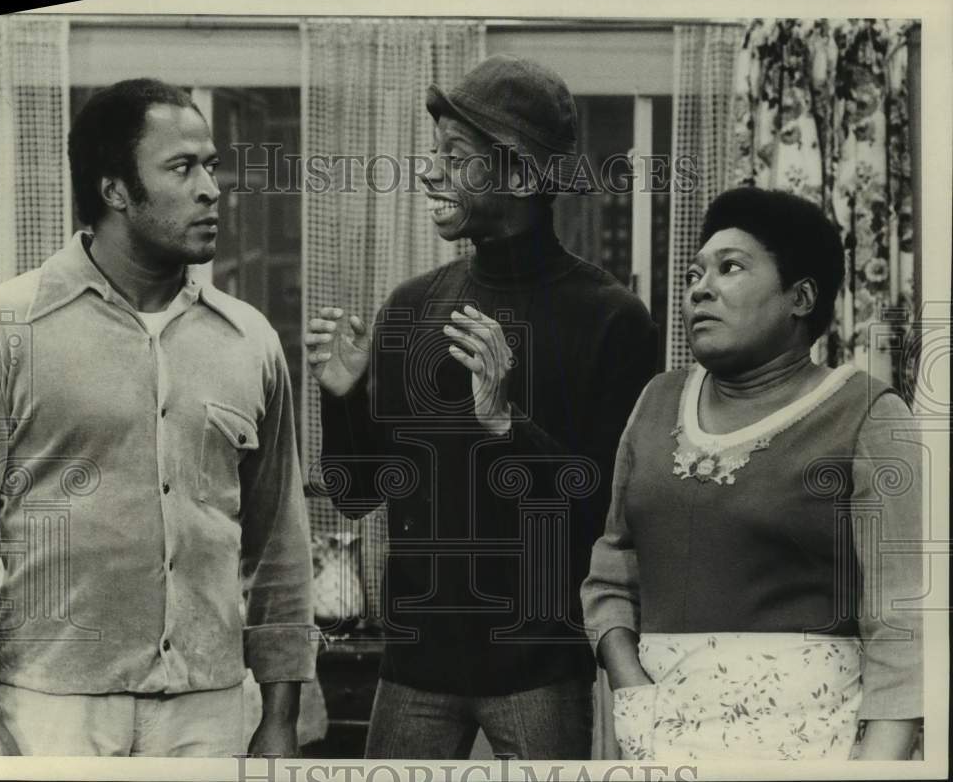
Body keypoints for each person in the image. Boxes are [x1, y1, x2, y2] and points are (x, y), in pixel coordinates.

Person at [306, 55, 658, 760]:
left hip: (541, 672)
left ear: (525, 176)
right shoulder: (410, 306)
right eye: (434, 153)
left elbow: (608, 516)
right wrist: (342, 396)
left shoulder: (614, 321)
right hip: (410, 672)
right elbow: (354, 494)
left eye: (456, 157)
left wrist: (504, 423)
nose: (430, 172)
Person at [0, 79, 316, 757]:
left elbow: (280, 545)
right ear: (115, 191)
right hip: (50, 710)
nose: (211, 189)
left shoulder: (250, 341)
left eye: (210, 166)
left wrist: (281, 717)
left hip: (208, 712)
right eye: (182, 168)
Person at [581, 186, 924, 761]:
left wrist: (876, 769)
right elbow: (612, 572)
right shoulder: (656, 402)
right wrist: (631, 687)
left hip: (816, 745)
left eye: (730, 268)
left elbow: (903, 622)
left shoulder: (868, 414)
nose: (698, 289)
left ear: (801, 297)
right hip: (659, 739)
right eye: (694, 273)